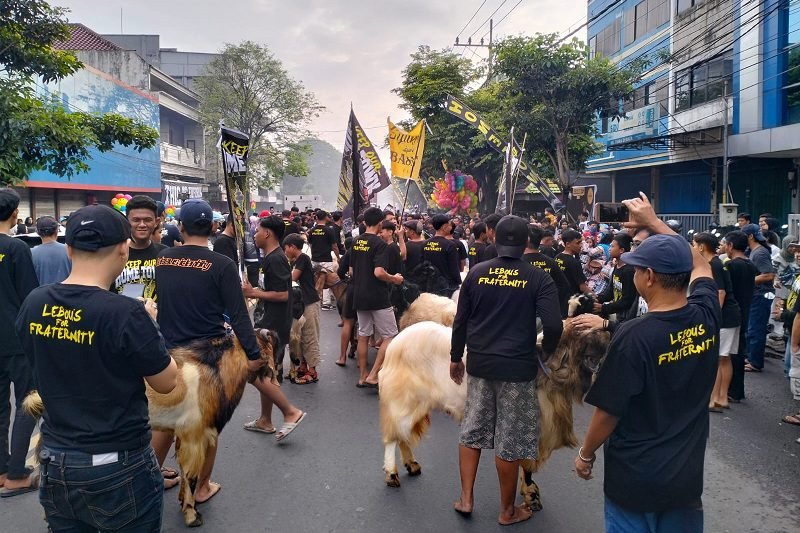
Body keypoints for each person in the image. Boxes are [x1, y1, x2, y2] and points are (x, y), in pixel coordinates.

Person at [15, 204, 178, 529]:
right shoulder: (126, 313)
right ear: (123, 249)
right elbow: (166, 381)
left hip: (56, 460)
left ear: (70, 249)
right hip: (118, 463)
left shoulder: (35, 301)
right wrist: (151, 325)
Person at [575, 193, 717, 533]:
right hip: (684, 479)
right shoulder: (707, 313)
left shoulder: (634, 337)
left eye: (636, 269)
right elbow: (701, 264)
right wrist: (654, 222)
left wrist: (585, 453)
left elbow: (609, 411)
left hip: (635, 478)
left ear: (649, 277)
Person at [450, 215, 562, 525]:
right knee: (510, 440)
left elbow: (461, 320)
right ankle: (507, 510)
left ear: (493, 238)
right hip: (518, 368)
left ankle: (467, 498)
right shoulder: (539, 278)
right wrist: (548, 352)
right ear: (527, 241)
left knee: (472, 431)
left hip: (481, 364)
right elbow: (553, 324)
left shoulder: (477, 273)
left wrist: (456, 357)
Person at [154, 199, 265, 503]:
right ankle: (200, 487)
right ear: (214, 227)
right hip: (209, 358)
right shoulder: (221, 264)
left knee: (166, 419)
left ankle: (149, 475)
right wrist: (254, 355)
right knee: (207, 425)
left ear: (181, 226)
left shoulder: (163, 259)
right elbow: (240, 315)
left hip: (169, 356)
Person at [242, 215, 307, 440]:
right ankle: (265, 420)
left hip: (271, 325)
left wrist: (253, 293)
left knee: (254, 371)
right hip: (270, 322)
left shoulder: (275, 259)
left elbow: (282, 294)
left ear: (267, 233)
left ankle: (290, 412)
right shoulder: (271, 257)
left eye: (258, 230)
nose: (255, 234)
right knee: (267, 372)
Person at [0, 189, 39, 497]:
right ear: (15, 215)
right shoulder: (16, 248)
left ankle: (2, 468)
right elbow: (30, 299)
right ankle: (15, 474)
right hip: (15, 339)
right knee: (28, 402)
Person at [351, 207, 403, 388]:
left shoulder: (356, 241)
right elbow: (379, 272)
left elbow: (351, 270)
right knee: (390, 335)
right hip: (377, 296)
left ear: (365, 222)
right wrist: (394, 279)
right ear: (380, 223)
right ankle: (373, 374)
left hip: (359, 294)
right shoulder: (380, 244)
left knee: (363, 335)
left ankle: (362, 376)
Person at [693, 232, 741, 411]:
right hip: (731, 315)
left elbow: (720, 293)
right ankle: (721, 398)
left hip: (724, 318)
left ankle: (714, 399)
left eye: (694, 244)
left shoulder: (713, 264)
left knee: (717, 358)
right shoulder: (717, 262)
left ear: (701, 247)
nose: (693, 247)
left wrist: (712, 316)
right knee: (724, 358)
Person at [723, 230, 757, 402]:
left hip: (732, 314)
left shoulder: (730, 266)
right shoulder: (750, 265)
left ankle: (732, 390)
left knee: (729, 355)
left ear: (730, 246)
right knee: (738, 352)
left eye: (725, 244)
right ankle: (738, 390)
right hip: (746, 310)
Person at [283, 233, 321, 384]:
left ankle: (312, 371)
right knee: (299, 337)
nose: (285, 251)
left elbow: (292, 278)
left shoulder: (303, 258)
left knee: (310, 336)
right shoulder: (296, 260)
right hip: (301, 302)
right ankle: (302, 367)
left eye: (286, 248)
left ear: (292, 247)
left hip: (310, 301)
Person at [112, 195, 166, 300]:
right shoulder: (114, 254)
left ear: (156, 222)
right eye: (136, 220)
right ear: (127, 222)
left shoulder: (165, 254)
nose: (142, 225)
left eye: (147, 220)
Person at [741, 223, 775, 372]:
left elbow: (768, 275)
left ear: (750, 236)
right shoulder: (753, 251)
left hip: (762, 295)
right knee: (751, 327)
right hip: (755, 294)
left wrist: (747, 280)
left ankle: (755, 362)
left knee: (756, 328)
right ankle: (751, 357)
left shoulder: (760, 253)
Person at [523, 224, 570, 317]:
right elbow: (564, 286)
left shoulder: (517, 262)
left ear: (526, 240)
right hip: (547, 313)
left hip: (523, 314)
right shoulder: (551, 262)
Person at [594, 233, 638, 323]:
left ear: (621, 250)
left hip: (628, 317)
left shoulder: (629, 271)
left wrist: (604, 308)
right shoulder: (616, 267)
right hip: (619, 314)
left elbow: (627, 300)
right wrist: (597, 298)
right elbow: (611, 291)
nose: (609, 249)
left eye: (612, 246)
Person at [422, 215, 462, 296]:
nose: (451, 227)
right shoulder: (450, 245)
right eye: (450, 224)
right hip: (446, 287)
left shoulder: (425, 243)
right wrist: (459, 282)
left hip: (430, 286)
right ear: (444, 227)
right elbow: (454, 268)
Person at [307, 210, 340, 307]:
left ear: (316, 218)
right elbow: (334, 246)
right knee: (327, 280)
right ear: (325, 217)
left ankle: (316, 300)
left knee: (317, 280)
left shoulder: (312, 231)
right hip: (326, 259)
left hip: (315, 259)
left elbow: (310, 244)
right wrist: (338, 257)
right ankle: (326, 303)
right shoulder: (329, 230)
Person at [31, 216, 71, 285]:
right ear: (57, 230)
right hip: (66, 294)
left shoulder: (31, 253)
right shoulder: (69, 250)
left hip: (41, 295)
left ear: (37, 232)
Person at [556, 229, 590, 295]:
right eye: (578, 243)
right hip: (572, 299)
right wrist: (595, 297)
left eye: (581, 242)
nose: (580, 245)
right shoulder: (574, 262)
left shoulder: (557, 257)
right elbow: (582, 287)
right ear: (568, 244)